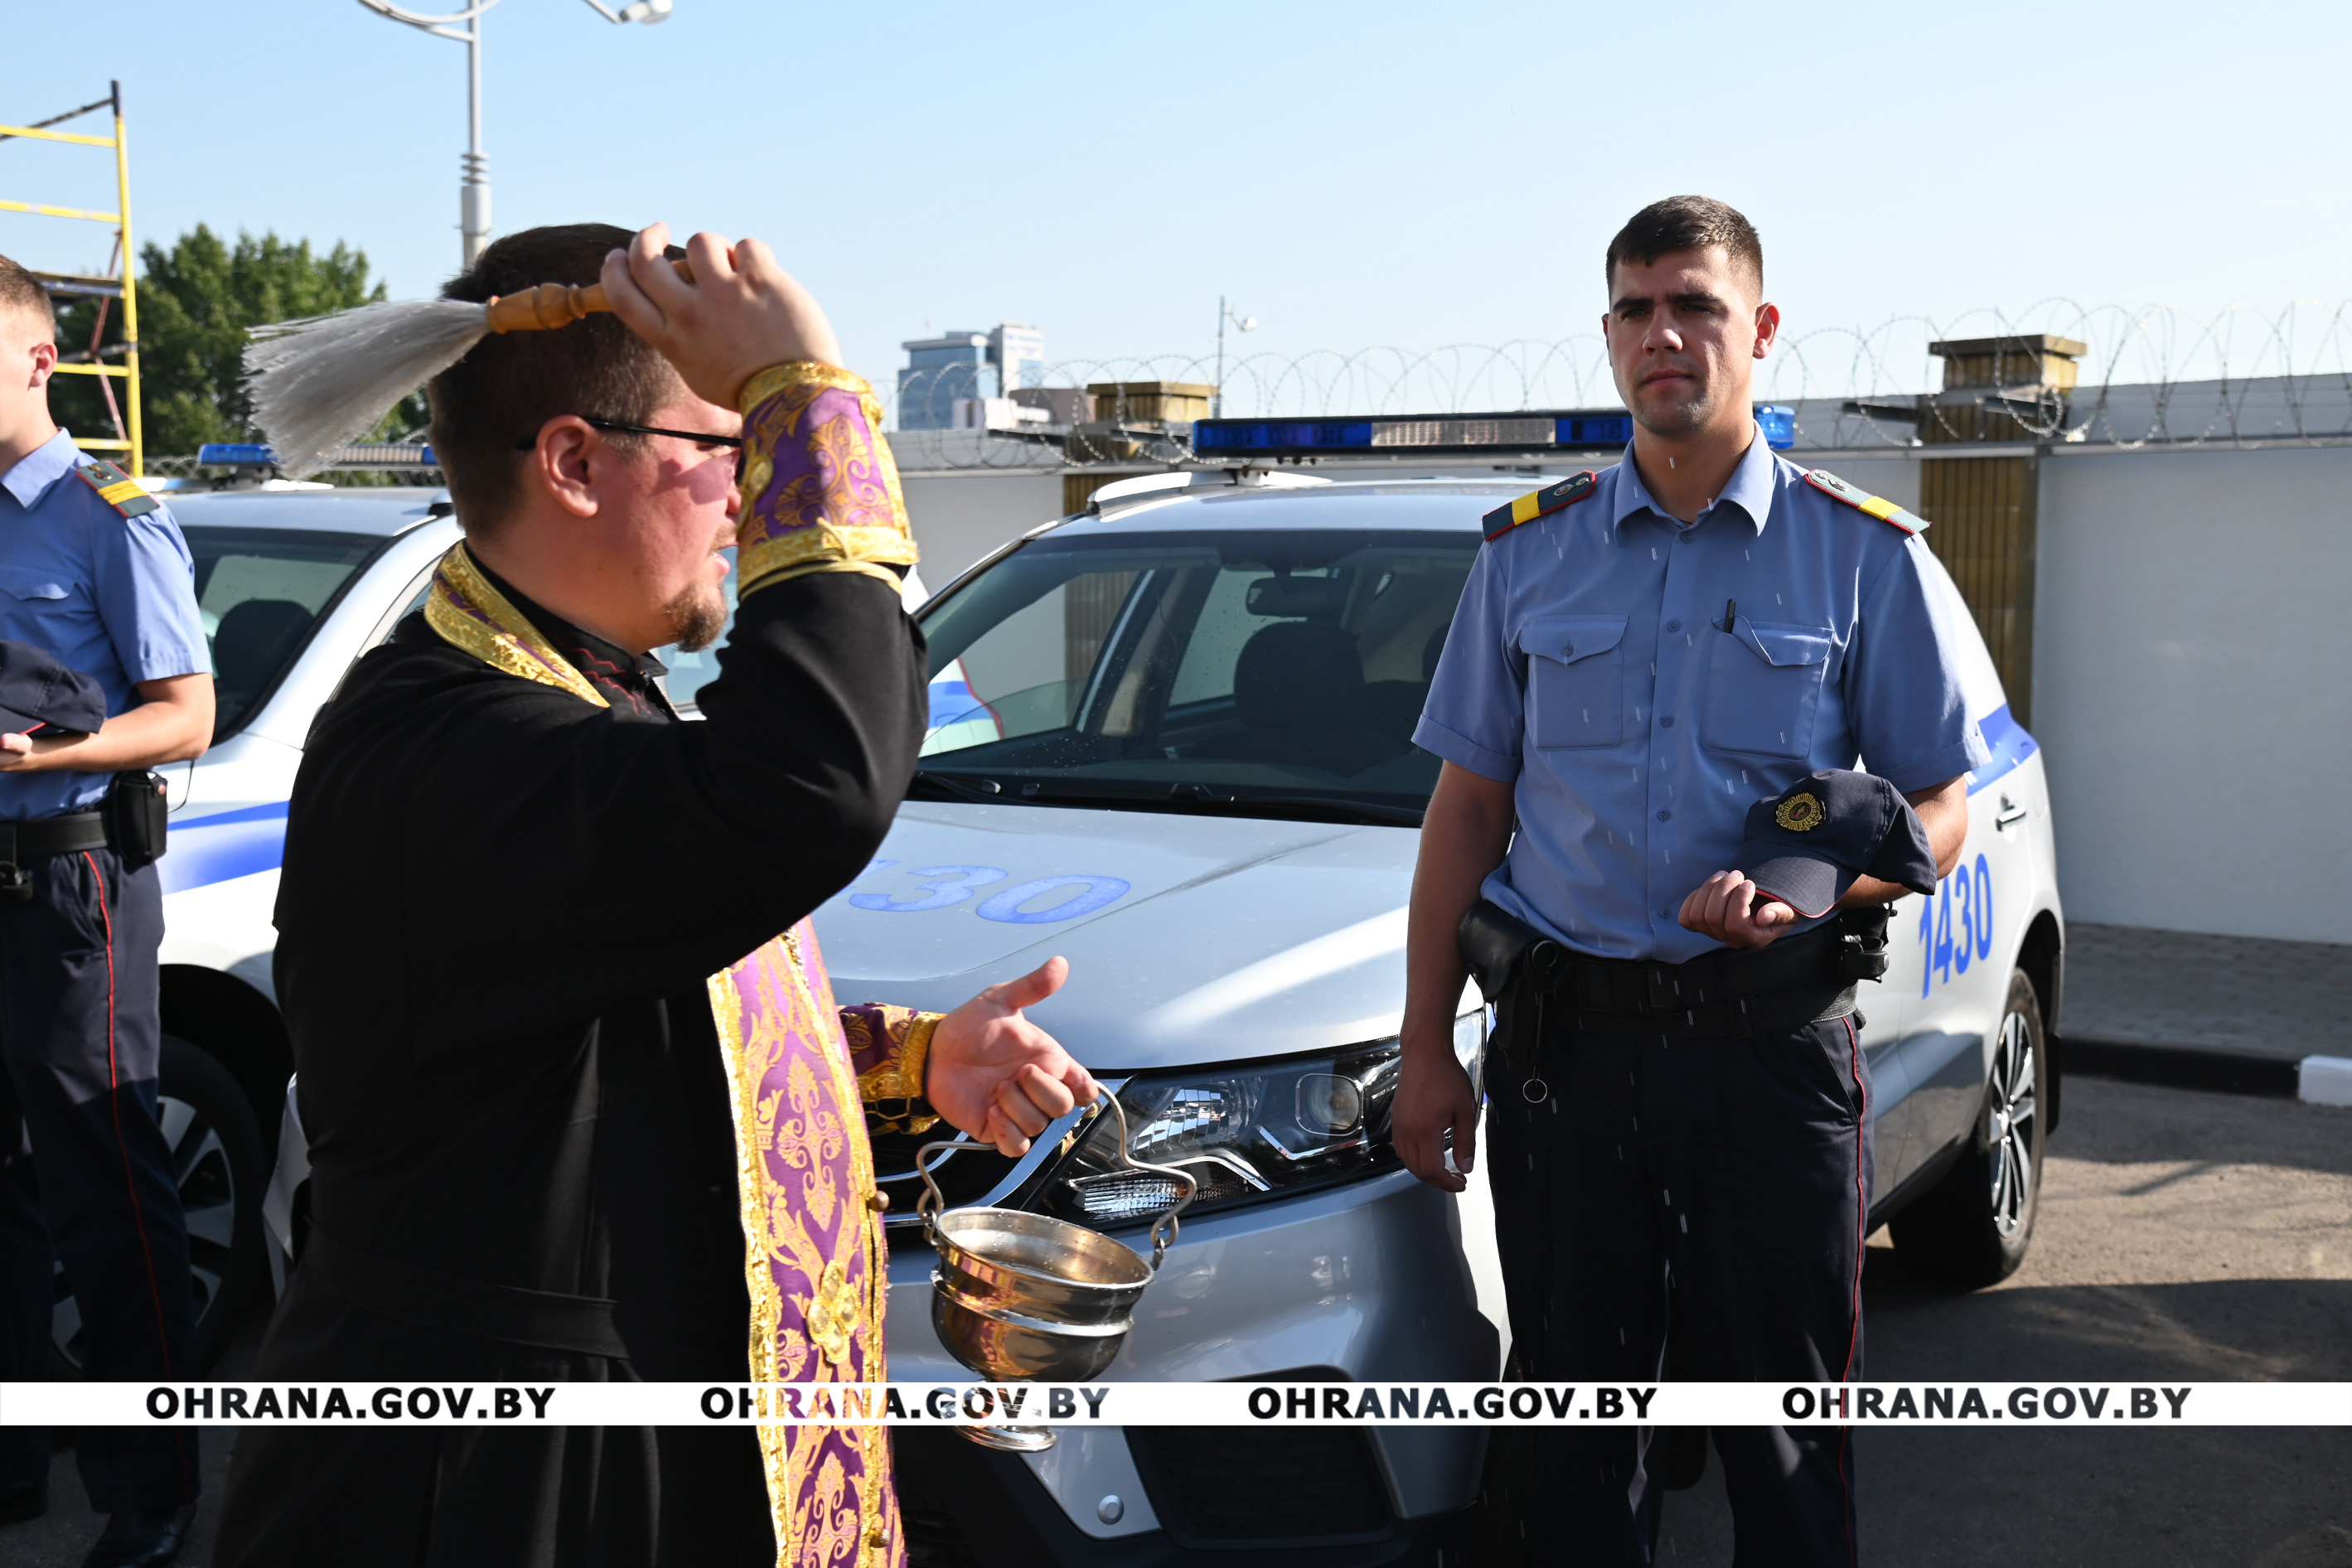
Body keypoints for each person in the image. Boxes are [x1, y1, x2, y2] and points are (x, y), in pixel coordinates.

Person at [212, 222, 1096, 1568]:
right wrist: (803, 392)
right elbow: (814, 784)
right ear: (573, 463)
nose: (749, 500)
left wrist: (909, 1056)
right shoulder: (452, 746)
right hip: (502, 1480)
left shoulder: (571, 694)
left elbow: (614, 1041)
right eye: (724, 453)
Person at [1393, 196, 1985, 1565]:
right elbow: (1466, 812)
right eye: (1636, 309)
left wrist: (1819, 890)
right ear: (1607, 338)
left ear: (1757, 330)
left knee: (1781, 1446)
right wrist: (1429, 1049)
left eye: (1695, 306)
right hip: (1567, 1060)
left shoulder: (1860, 553)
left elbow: (1940, 805)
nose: (1664, 335)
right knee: (1572, 1443)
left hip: (1769, 1062)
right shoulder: (1524, 554)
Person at [0, 254, 216, 1568]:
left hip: (69, 875)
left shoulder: (109, 514)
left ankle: (154, 1488)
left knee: (107, 1187)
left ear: (36, 361)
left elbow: (185, 713)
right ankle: (17, 1458)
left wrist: (43, 757)